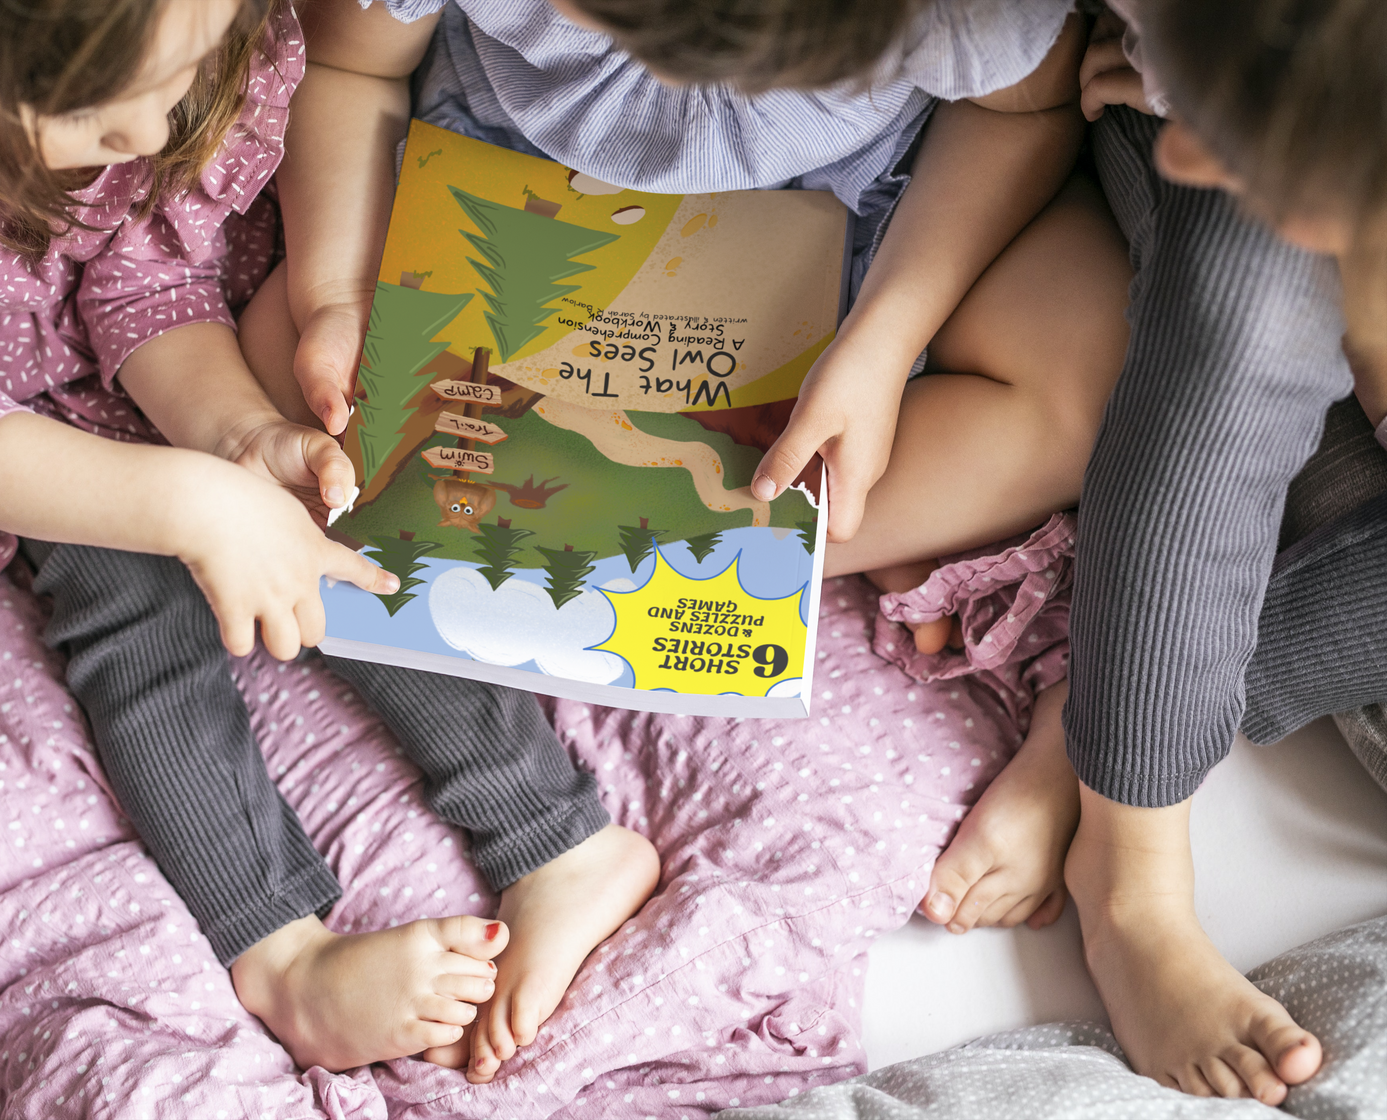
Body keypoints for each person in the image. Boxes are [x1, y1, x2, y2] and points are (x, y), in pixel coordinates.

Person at [254, 0, 1133, 1083]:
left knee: (1094, 351)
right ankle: (666, 534)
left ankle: (708, 528)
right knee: (268, 383)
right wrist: (336, 300)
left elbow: (1022, 110)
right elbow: (346, 75)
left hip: (864, 225)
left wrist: (882, 341)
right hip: (520, 227)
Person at [0, 0, 660, 1076]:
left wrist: (238, 439)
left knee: (339, 521)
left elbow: (147, 281)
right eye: (106, 128)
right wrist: (190, 506)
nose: (152, 138)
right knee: (130, 620)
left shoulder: (191, 46)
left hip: (179, 355)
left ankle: (558, 834)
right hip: (19, 437)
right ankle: (280, 954)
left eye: (179, 87)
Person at [1065, 0, 1387, 1103]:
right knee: (1248, 315)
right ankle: (1127, 871)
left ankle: (1114, 694)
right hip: (1238, 108)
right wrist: (1187, 77)